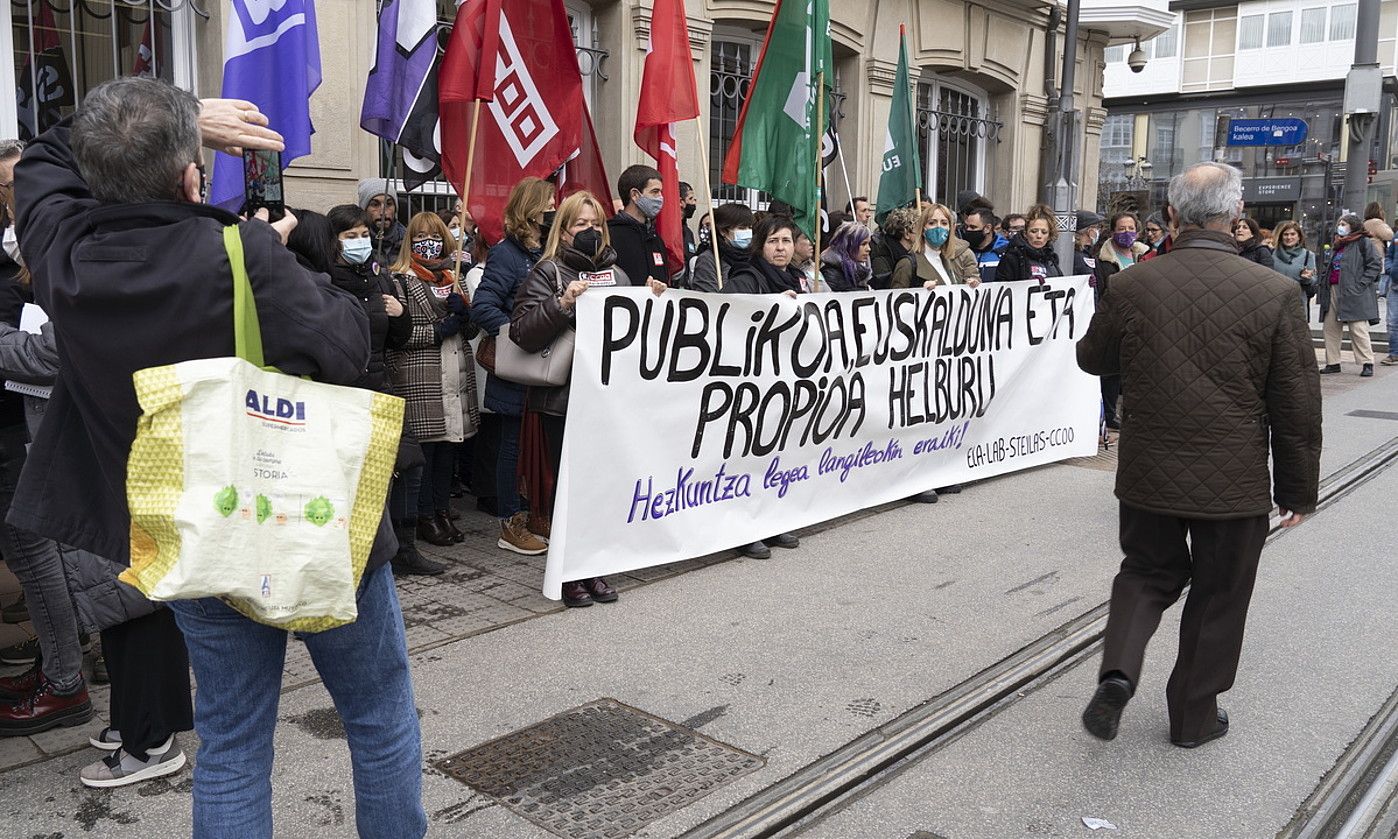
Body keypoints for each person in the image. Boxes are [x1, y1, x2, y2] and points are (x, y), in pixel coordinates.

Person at [13, 78, 426, 836]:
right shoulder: (237, 254)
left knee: (233, 739)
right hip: (315, 522)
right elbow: (347, 342)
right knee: (378, 713)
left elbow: (44, 159)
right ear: (190, 175)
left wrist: (180, 121)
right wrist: (285, 261)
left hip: (195, 537)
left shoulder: (62, 252)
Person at [1077, 161, 1321, 750]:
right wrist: (1296, 491)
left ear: (1170, 214)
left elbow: (1092, 359)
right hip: (1233, 479)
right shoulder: (1276, 293)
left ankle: (1119, 672)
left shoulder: (1133, 283)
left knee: (1145, 572)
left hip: (1148, 469)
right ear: (1237, 217)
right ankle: (1192, 718)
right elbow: (1296, 405)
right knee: (1220, 592)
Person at [511, 190, 664, 607]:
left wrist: (653, 302)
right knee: (569, 490)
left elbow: (637, 338)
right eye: (581, 224)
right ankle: (568, 575)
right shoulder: (548, 272)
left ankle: (594, 567)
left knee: (600, 488)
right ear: (562, 230)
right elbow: (522, 332)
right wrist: (562, 303)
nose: (590, 232)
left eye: (596, 224)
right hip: (563, 402)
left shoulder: (617, 276)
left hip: (608, 403)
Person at [323, 204, 443, 576]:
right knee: (359, 477)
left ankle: (405, 549)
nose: (359, 243)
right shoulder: (324, 280)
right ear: (334, 242)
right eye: (350, 237)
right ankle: (357, 553)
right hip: (345, 392)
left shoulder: (380, 277)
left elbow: (400, 338)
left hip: (383, 386)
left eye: (363, 235)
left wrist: (399, 314)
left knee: (410, 466)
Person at [388, 212, 480, 545]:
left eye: (436, 235)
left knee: (448, 451)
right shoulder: (400, 278)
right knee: (426, 452)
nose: (430, 241)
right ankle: (424, 515)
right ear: (410, 240)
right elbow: (396, 334)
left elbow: (469, 331)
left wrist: (465, 314)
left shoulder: (452, 278)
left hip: (455, 374)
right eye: (422, 235)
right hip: (421, 376)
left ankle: (442, 511)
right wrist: (438, 330)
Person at [474, 177, 553, 555]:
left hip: (545, 366)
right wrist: (519, 334)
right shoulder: (507, 253)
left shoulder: (548, 251)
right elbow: (483, 305)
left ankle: (535, 513)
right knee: (511, 446)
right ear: (532, 208)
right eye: (550, 202)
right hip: (517, 365)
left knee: (538, 444)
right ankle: (511, 522)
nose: (555, 208)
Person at [722, 215, 803, 558]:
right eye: (773, 242)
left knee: (778, 453)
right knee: (749, 457)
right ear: (760, 245)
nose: (781, 248)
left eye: (786, 241)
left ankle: (773, 519)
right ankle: (745, 527)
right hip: (752, 384)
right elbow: (728, 317)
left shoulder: (797, 279)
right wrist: (770, 308)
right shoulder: (747, 277)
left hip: (784, 382)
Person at [1319, 213, 1382, 378]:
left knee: (1358, 328)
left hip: (1353, 291)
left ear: (1353, 226)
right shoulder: (1338, 244)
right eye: (1340, 223)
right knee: (1330, 327)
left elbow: (1375, 264)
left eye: (1344, 223)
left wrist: (1361, 284)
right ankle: (1333, 362)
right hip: (1333, 288)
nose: (1340, 226)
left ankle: (1367, 362)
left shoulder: (1363, 242)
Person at [892, 202, 980, 289]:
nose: (938, 227)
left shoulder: (947, 260)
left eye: (944, 223)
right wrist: (921, 290)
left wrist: (971, 286)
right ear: (923, 229)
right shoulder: (907, 264)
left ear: (950, 228)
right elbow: (896, 299)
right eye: (931, 223)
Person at [607, 164, 669, 287]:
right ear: (635, 195)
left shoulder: (655, 238)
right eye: (655, 192)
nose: (660, 198)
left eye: (661, 192)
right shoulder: (610, 235)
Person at [690, 203, 754, 294]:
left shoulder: (754, 257)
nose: (747, 232)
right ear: (723, 231)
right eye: (741, 228)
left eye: (749, 227)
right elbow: (708, 298)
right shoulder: (709, 260)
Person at [994, 207, 1062, 282]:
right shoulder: (1012, 258)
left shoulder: (1051, 259)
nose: (1039, 236)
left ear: (1049, 236)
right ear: (1025, 233)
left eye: (1044, 232)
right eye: (1034, 231)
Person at [1271, 220, 1318, 312]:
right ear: (1281, 236)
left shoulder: (1308, 255)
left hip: (1297, 302)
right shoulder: (1271, 253)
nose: (1289, 237)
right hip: (1275, 300)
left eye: (1293, 234)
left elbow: (1313, 280)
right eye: (1286, 234)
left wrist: (1307, 278)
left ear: (1299, 237)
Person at [357, 177, 404, 265]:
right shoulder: (356, 244)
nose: (383, 212)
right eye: (375, 205)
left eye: (389, 204)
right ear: (364, 209)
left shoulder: (407, 242)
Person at [869, 206, 918, 289]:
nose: (922, 234)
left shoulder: (911, 255)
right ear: (906, 234)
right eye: (918, 231)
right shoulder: (881, 256)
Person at [818, 221, 873, 292]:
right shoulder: (831, 275)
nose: (868, 249)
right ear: (848, 245)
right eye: (863, 244)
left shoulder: (861, 272)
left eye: (868, 243)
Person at [961, 207, 1008, 282]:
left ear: (987, 228)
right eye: (966, 227)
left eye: (973, 227)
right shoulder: (963, 252)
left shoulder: (1005, 252)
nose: (968, 230)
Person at [1071, 210, 1104, 276]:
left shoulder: (1089, 252)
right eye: (1097, 227)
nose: (1099, 230)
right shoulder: (1076, 256)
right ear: (1090, 231)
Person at [679, 181, 699, 285]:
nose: (694, 202)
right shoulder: (669, 229)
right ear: (681, 202)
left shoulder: (688, 232)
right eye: (690, 199)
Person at [1385, 217, 1398, 366]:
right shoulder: (1396, 237)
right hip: (1395, 285)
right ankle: (1394, 353)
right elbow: (1389, 255)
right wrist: (1390, 268)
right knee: (1392, 322)